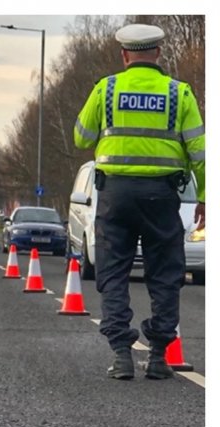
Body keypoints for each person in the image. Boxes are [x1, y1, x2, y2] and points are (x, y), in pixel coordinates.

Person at [73, 23, 205, 380]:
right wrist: (204, 198)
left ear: (124, 55)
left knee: (113, 273)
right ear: (159, 53)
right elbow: (201, 153)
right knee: (165, 274)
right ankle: (160, 356)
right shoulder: (180, 94)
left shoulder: (107, 88)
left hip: (115, 195)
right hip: (162, 196)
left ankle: (121, 356)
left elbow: (80, 136)